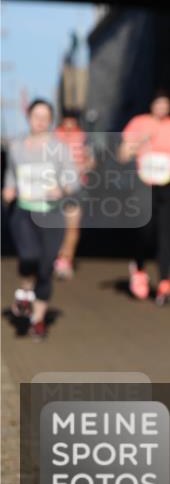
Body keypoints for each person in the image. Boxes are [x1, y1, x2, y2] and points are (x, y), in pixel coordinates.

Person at [2, 99, 80, 339]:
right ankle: (25, 292)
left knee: (45, 268)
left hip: (51, 214)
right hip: (24, 212)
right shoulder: (16, 147)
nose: (41, 121)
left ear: (51, 120)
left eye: (46, 117)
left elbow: (73, 180)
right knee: (29, 257)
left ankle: (37, 320)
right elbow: (11, 176)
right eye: (37, 116)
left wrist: (63, 189)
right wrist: (8, 190)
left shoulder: (59, 148)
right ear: (29, 116)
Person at [119, 92, 170, 306]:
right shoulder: (138, 122)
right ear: (151, 105)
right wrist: (139, 142)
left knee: (165, 234)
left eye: (166, 104)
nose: (162, 108)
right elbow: (122, 155)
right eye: (159, 103)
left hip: (168, 185)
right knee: (145, 231)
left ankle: (165, 282)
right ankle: (138, 269)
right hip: (143, 185)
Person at [52, 108, 94, 280]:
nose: (69, 125)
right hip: (54, 188)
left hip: (76, 187)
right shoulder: (52, 136)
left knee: (72, 226)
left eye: (73, 121)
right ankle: (53, 255)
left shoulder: (84, 137)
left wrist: (80, 168)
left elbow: (91, 160)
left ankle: (65, 260)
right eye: (66, 121)